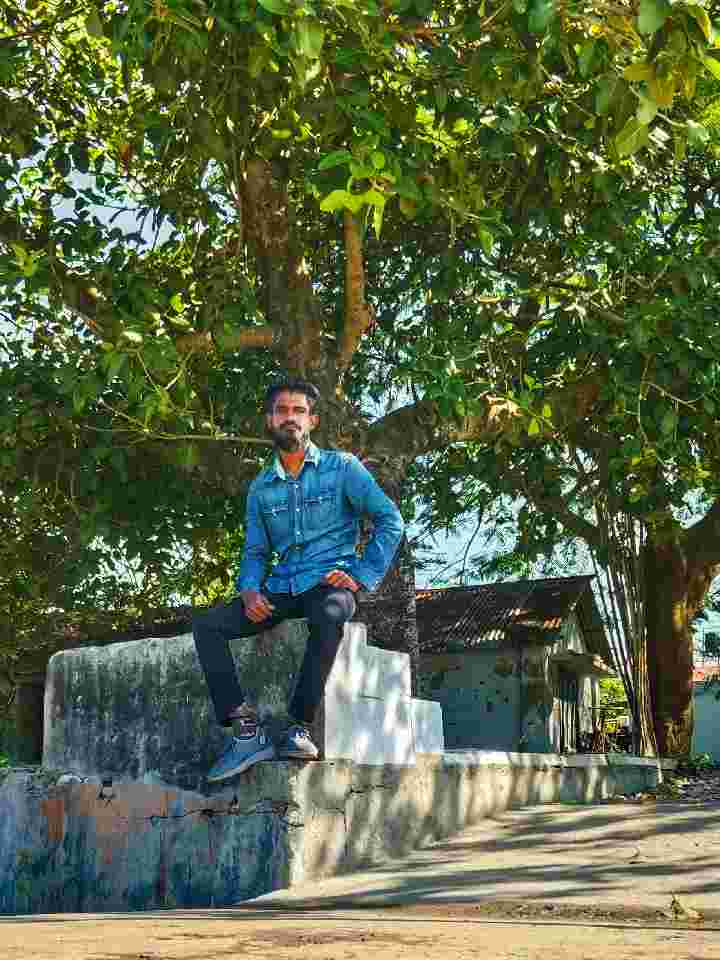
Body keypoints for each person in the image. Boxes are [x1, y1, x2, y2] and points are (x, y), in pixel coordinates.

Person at [193, 379, 405, 782]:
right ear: (269, 420)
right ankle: (246, 732)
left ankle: (298, 726)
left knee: (331, 613)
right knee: (207, 626)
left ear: (313, 421)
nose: (290, 417)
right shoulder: (261, 488)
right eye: (281, 411)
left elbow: (389, 520)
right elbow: (255, 551)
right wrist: (250, 590)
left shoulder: (343, 468)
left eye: (299, 411)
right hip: (282, 586)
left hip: (329, 581)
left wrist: (360, 575)